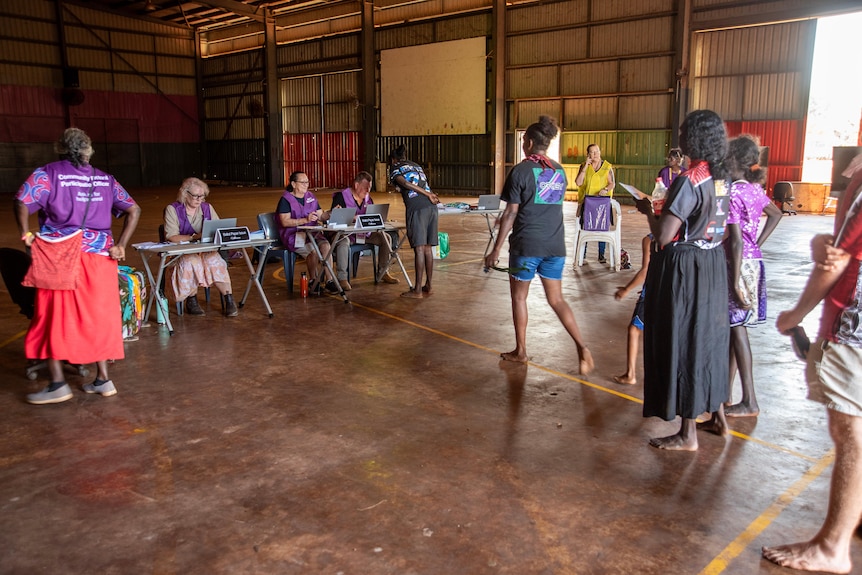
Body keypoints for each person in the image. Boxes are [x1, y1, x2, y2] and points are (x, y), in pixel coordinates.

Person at [761, 159, 862, 575]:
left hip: (853, 324)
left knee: (850, 430)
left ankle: (832, 546)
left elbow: (835, 263)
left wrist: (795, 315)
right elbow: (838, 245)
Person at [14, 127, 141, 404]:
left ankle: (58, 383)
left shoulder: (47, 174)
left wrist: (26, 236)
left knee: (53, 315)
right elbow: (134, 209)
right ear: (89, 150)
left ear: (60, 147)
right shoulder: (104, 179)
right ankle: (103, 380)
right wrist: (121, 244)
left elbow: (22, 202)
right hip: (100, 257)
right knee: (99, 317)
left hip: (59, 256)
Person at [634, 109, 730, 450]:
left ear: (691, 138)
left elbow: (664, 236)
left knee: (683, 340)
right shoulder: (722, 178)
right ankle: (718, 416)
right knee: (708, 340)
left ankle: (687, 433)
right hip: (713, 264)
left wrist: (647, 211)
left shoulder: (689, 180)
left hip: (685, 268)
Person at [484, 115, 594, 374]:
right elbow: (538, 205)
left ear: (531, 142)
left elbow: (512, 212)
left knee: (519, 297)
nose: (523, 144)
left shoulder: (520, 171)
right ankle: (582, 346)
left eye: (523, 140)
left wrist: (496, 249)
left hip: (526, 247)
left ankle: (521, 351)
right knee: (557, 300)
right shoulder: (558, 171)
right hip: (555, 247)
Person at [722, 135, 782, 417]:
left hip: (737, 263)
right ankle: (727, 393)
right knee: (737, 327)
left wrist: (733, 280)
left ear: (734, 161)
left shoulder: (734, 192)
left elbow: (734, 241)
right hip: (753, 261)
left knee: (737, 329)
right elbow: (776, 214)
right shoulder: (755, 190)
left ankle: (749, 400)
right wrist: (757, 243)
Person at [163, 177, 238, 317]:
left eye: (202, 196)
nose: (199, 199)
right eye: (196, 196)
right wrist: (193, 237)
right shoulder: (172, 209)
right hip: (182, 253)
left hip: (205, 250)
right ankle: (191, 299)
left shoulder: (207, 208)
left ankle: (229, 298)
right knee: (192, 262)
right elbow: (171, 236)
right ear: (185, 194)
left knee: (215, 261)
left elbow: (218, 228)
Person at [330, 171, 400, 288]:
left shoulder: (368, 198)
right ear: (356, 185)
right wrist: (352, 218)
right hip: (347, 234)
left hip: (363, 234)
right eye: (365, 188)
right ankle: (342, 278)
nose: (368, 191)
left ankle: (383, 272)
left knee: (385, 238)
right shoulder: (341, 197)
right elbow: (335, 218)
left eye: (369, 188)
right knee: (343, 242)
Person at [388, 145, 440, 298]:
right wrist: (429, 195)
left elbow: (405, 183)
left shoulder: (395, 167)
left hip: (417, 208)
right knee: (427, 248)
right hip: (432, 208)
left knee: (419, 247)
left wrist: (427, 194)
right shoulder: (416, 165)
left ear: (393, 159)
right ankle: (428, 286)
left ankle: (417, 290)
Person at [276, 171, 339, 295]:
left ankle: (329, 280)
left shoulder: (311, 197)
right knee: (313, 251)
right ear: (293, 184)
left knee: (326, 246)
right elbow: (284, 222)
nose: (306, 185)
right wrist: (305, 220)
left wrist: (331, 213)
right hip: (295, 235)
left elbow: (321, 216)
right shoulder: (285, 200)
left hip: (313, 233)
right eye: (303, 182)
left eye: (307, 182)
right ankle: (313, 281)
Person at [613, 233, 653, 385]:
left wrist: (626, 289)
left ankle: (631, 374)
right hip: (671, 293)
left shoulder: (650, 239)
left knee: (634, 330)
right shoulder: (677, 235)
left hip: (652, 293)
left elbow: (645, 271)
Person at [575, 143, 615, 263]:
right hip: (587, 202)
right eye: (592, 152)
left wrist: (606, 190)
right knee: (585, 227)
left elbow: (612, 183)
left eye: (597, 151)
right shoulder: (583, 166)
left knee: (602, 227)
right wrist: (586, 166)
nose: (595, 154)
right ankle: (583, 253)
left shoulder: (607, 166)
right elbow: (578, 182)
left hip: (602, 202)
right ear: (588, 155)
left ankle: (601, 254)